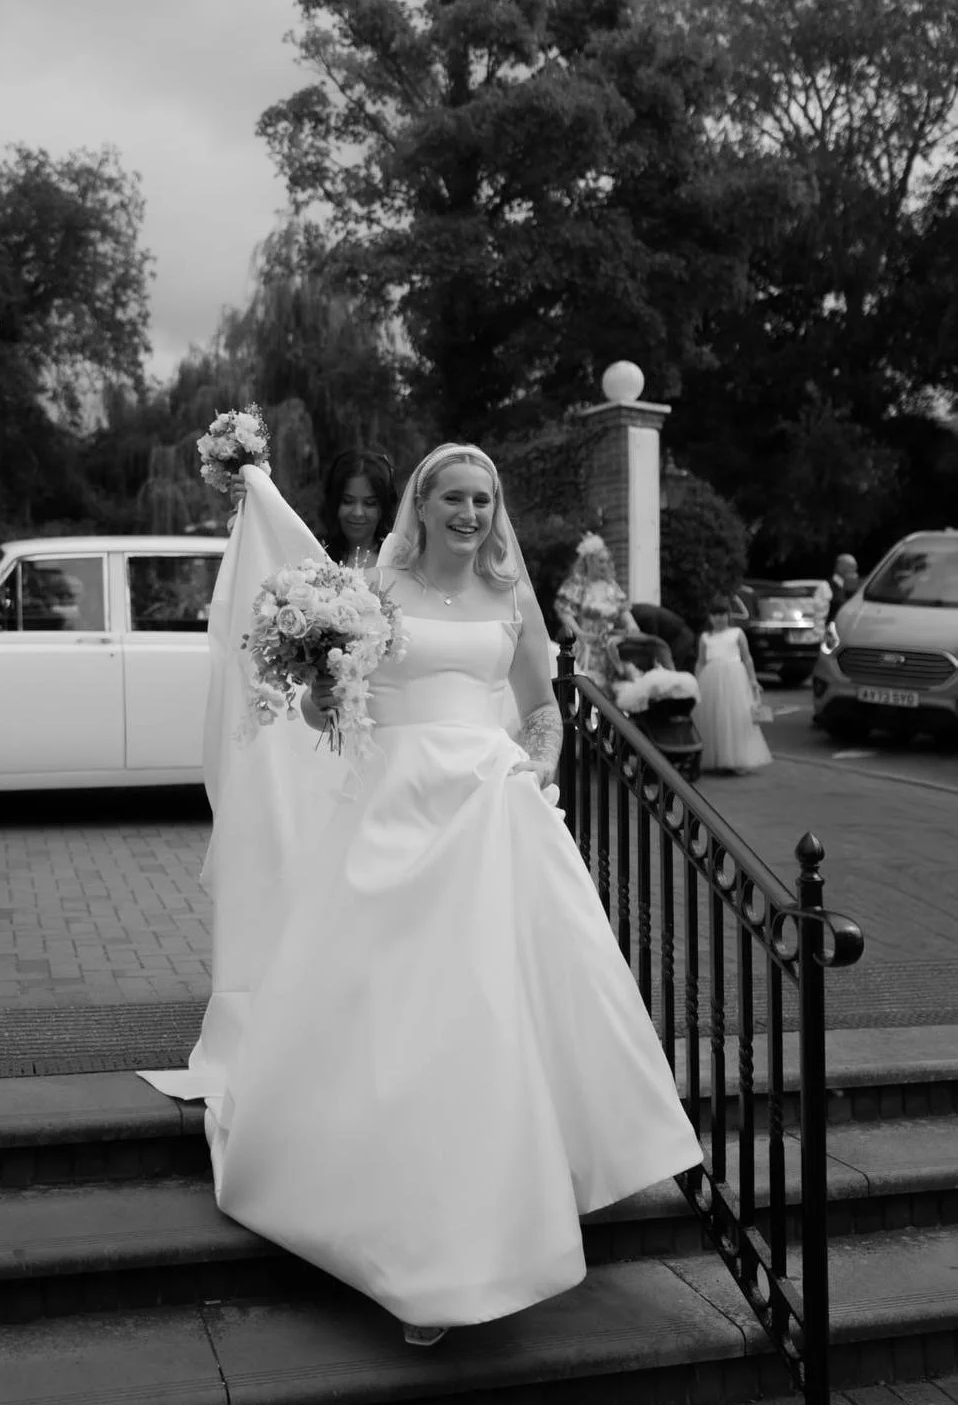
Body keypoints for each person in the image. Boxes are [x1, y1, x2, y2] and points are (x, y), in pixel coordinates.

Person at [141, 446, 701, 1350]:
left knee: (491, 1010)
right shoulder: (373, 593)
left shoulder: (512, 597)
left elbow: (543, 708)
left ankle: (499, 1210)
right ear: (423, 504)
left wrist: (540, 766)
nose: (472, 512)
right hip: (392, 813)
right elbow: (330, 716)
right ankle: (397, 1232)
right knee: (393, 1013)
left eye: (484, 499)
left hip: (490, 809)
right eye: (455, 498)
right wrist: (320, 681)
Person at [230, 449, 397, 569]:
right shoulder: (309, 555)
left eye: (369, 504)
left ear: (384, 507)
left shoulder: (400, 561)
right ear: (334, 503)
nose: (358, 513)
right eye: (347, 501)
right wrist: (248, 507)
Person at [695, 597, 772, 774]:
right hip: (711, 680)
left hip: (735, 679)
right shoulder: (705, 638)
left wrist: (753, 680)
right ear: (709, 617)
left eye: (722, 614)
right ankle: (717, 758)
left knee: (737, 718)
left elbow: (747, 658)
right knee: (714, 718)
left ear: (728, 616)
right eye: (714, 615)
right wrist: (696, 681)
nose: (719, 618)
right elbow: (700, 662)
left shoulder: (737, 633)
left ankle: (738, 759)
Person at [553, 534, 639, 686]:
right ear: (588, 561)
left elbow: (623, 611)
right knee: (587, 688)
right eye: (600, 561)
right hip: (585, 648)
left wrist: (631, 625)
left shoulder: (611, 587)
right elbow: (564, 611)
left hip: (609, 648)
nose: (604, 565)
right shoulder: (578, 585)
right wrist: (579, 633)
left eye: (607, 561)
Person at [630, 601, 698, 674]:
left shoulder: (644, 616)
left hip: (682, 636)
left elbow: (653, 643)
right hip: (678, 634)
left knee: (670, 667)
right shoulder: (636, 612)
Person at [827, 553, 860, 620]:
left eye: (855, 567)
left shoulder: (856, 587)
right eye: (851, 566)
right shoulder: (826, 587)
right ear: (840, 567)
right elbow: (821, 618)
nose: (855, 570)